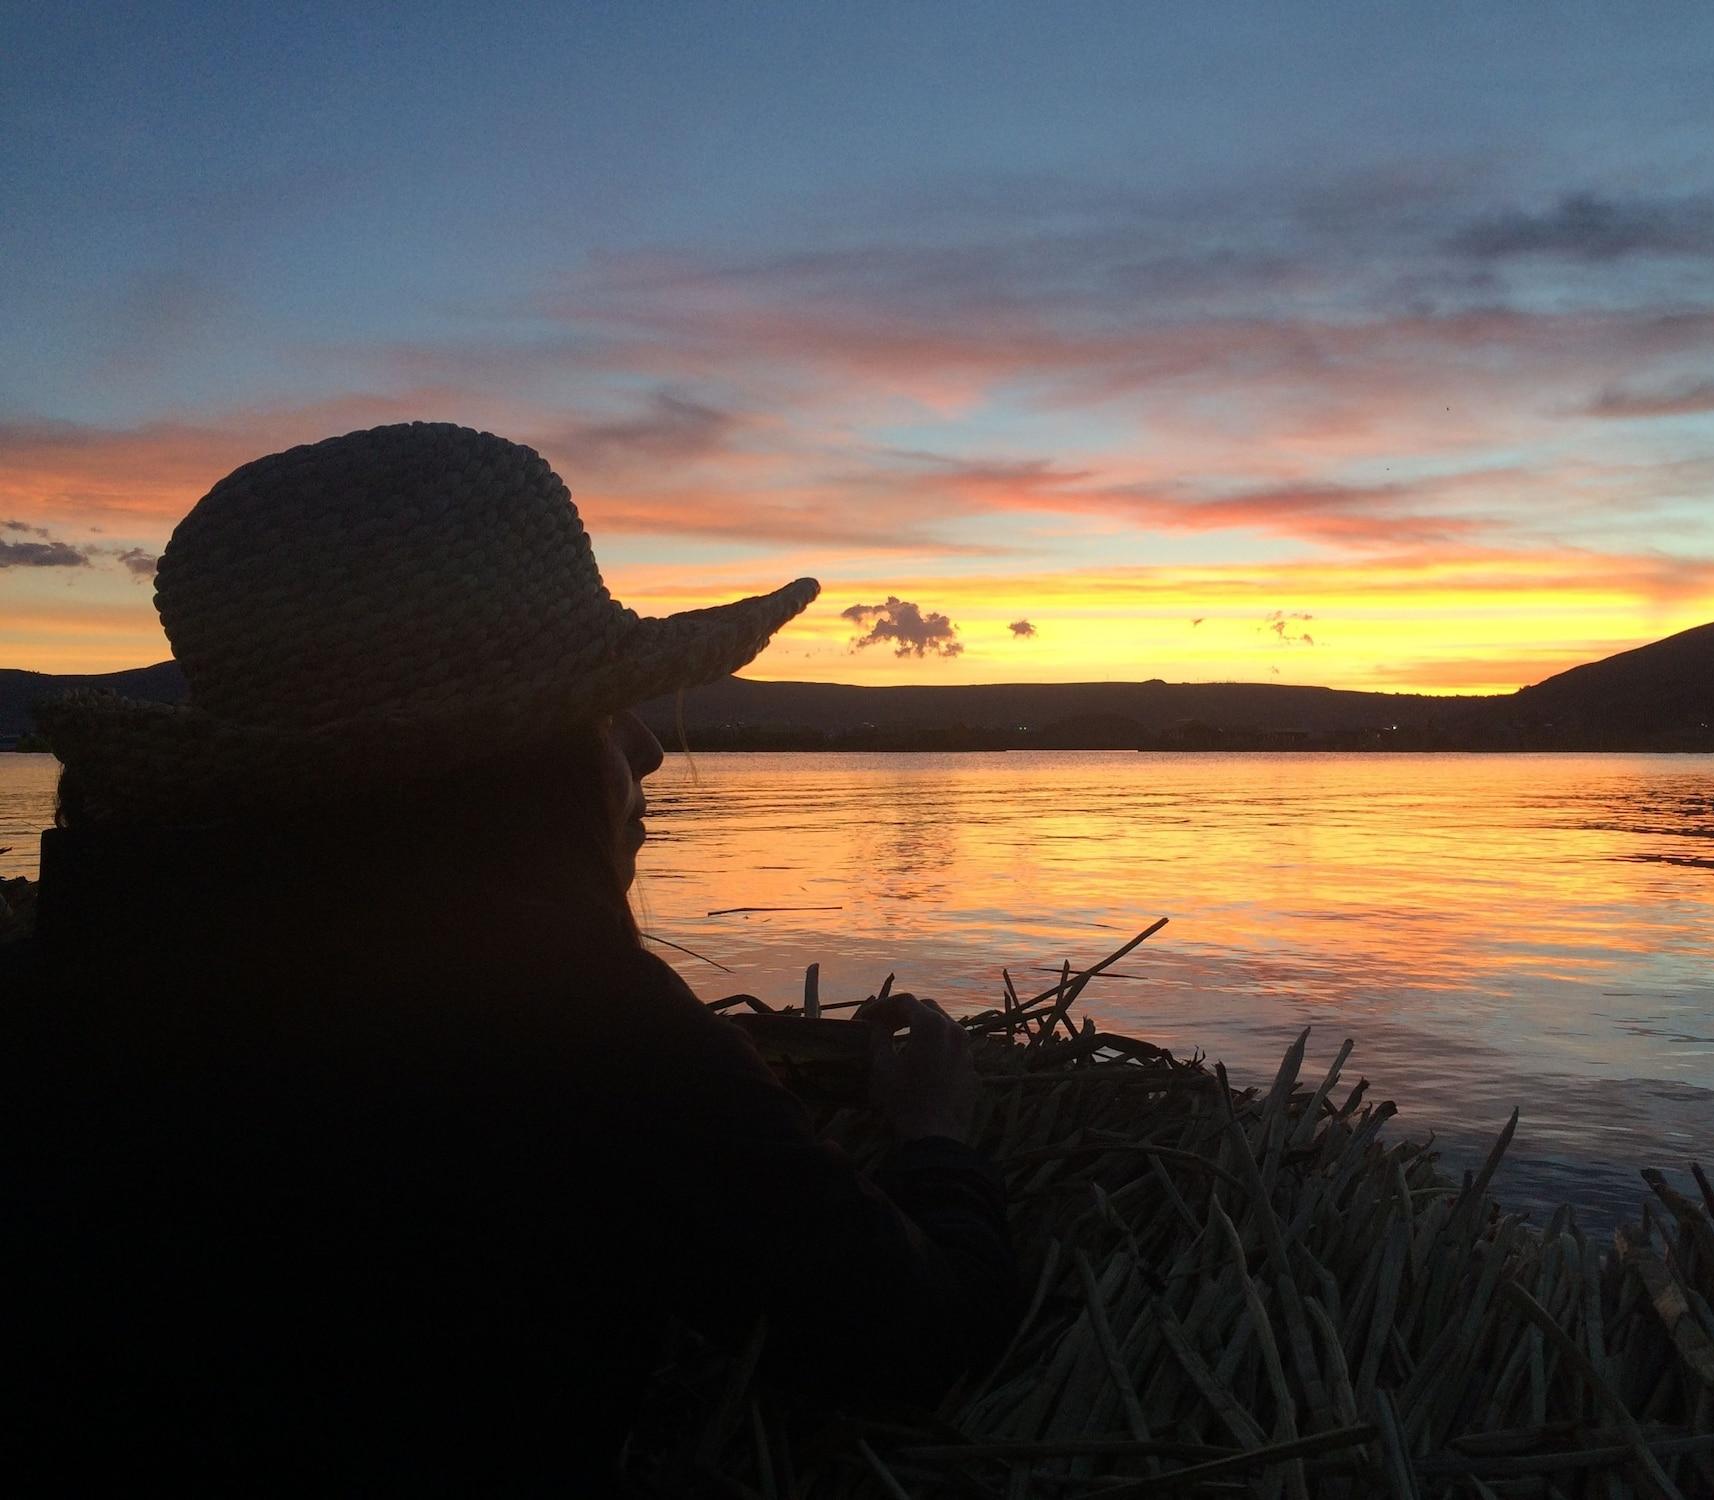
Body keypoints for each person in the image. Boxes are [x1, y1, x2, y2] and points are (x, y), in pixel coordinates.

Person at [0, 423, 1018, 1495]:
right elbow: (917, 1343)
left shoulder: (56, 992)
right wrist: (934, 1137)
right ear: (498, 765)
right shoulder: (579, 1032)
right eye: (597, 706)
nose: (646, 748)